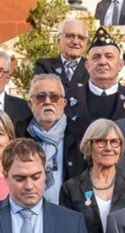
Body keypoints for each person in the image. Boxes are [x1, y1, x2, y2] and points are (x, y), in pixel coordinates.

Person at [19, 74, 82, 203]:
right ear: (31, 104)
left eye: (54, 97)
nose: (47, 101)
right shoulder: (17, 135)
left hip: (68, 212)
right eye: (41, 97)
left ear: (63, 103)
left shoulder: (81, 136)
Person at [63, 28, 125, 137]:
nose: (102, 62)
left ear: (120, 64)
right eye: (96, 57)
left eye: (109, 57)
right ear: (87, 66)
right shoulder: (66, 99)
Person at [31, 19, 90, 90]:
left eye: (81, 37)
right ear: (59, 41)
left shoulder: (93, 68)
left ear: (86, 44)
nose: (76, 42)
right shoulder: (44, 66)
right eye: (70, 36)